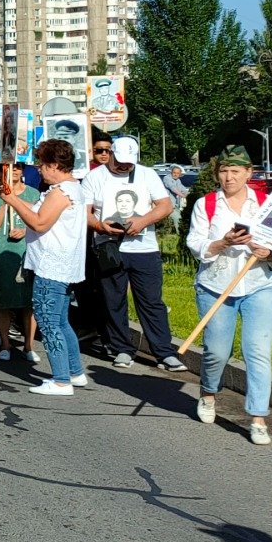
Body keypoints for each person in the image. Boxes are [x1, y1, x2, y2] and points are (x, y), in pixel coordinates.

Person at [187, 145, 272, 444]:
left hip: (259, 286)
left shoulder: (266, 203)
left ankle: (258, 418)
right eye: (224, 171)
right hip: (216, 285)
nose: (229, 178)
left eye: (235, 172)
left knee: (258, 351)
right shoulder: (207, 204)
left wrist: (267, 253)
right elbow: (196, 244)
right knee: (216, 352)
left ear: (249, 173)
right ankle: (208, 394)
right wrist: (223, 242)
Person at [85, 135, 185, 371]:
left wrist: (142, 221)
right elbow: (85, 211)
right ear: (110, 155)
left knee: (151, 301)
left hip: (144, 247)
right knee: (113, 300)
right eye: (120, 162)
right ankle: (121, 349)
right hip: (108, 246)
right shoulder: (94, 176)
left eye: (129, 163)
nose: (124, 167)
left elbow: (165, 205)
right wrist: (100, 226)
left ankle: (164, 352)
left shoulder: (147, 174)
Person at [0, 139, 88, 396]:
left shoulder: (62, 192)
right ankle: (74, 371)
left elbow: (39, 222)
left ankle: (61, 380)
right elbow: (36, 210)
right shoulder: (65, 189)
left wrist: (13, 203)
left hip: (53, 266)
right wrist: (12, 198)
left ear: (55, 165)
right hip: (60, 264)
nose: (38, 168)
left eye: (42, 164)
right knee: (61, 321)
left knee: (48, 322)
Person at [0, 163, 41, 363]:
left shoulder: (33, 194)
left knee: (28, 302)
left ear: (22, 171)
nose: (13, 171)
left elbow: (40, 223)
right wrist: (7, 202)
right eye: (8, 168)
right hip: (1, 253)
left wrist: (25, 231)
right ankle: (5, 344)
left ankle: (29, 346)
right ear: (1, 172)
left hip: (26, 253)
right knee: (3, 302)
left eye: (17, 167)